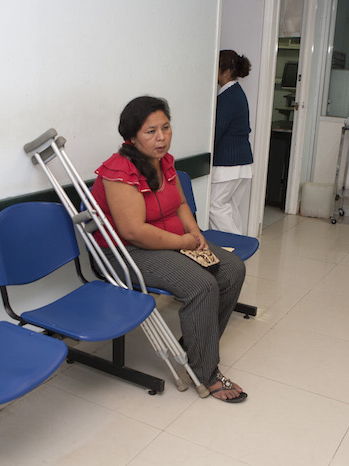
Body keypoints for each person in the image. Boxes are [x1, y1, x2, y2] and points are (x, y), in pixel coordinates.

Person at [90, 96, 247, 403]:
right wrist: (182, 243)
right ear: (132, 137)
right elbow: (133, 232)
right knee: (201, 285)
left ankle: (194, 347)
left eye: (165, 127)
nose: (161, 137)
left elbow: (181, 204)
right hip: (126, 253)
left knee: (232, 269)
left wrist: (195, 233)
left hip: (169, 241)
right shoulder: (119, 171)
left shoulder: (164, 162)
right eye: (151, 131)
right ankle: (206, 370)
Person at [210, 50, 254, 235]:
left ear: (226, 71)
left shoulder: (227, 98)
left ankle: (234, 247)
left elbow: (217, 131)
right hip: (242, 163)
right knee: (231, 207)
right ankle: (239, 248)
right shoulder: (237, 93)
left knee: (214, 206)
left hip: (229, 165)